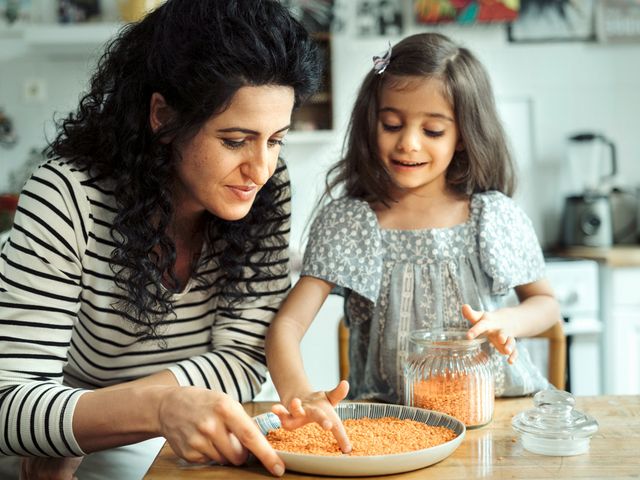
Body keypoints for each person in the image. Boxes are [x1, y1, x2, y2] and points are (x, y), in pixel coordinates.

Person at [0, 0, 320, 478]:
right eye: (234, 140)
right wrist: (156, 407)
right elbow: (8, 403)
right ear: (162, 116)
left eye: (275, 140)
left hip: (153, 436)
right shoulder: (69, 193)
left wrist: (159, 408)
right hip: (58, 443)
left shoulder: (268, 191)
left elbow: (244, 359)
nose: (260, 169)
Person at [265, 32, 561, 452]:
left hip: (494, 417)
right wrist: (301, 395)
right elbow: (287, 326)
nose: (408, 142)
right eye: (392, 124)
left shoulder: (491, 215)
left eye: (434, 130)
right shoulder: (351, 222)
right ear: (372, 123)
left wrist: (506, 322)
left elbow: (546, 306)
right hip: (394, 424)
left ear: (464, 134)